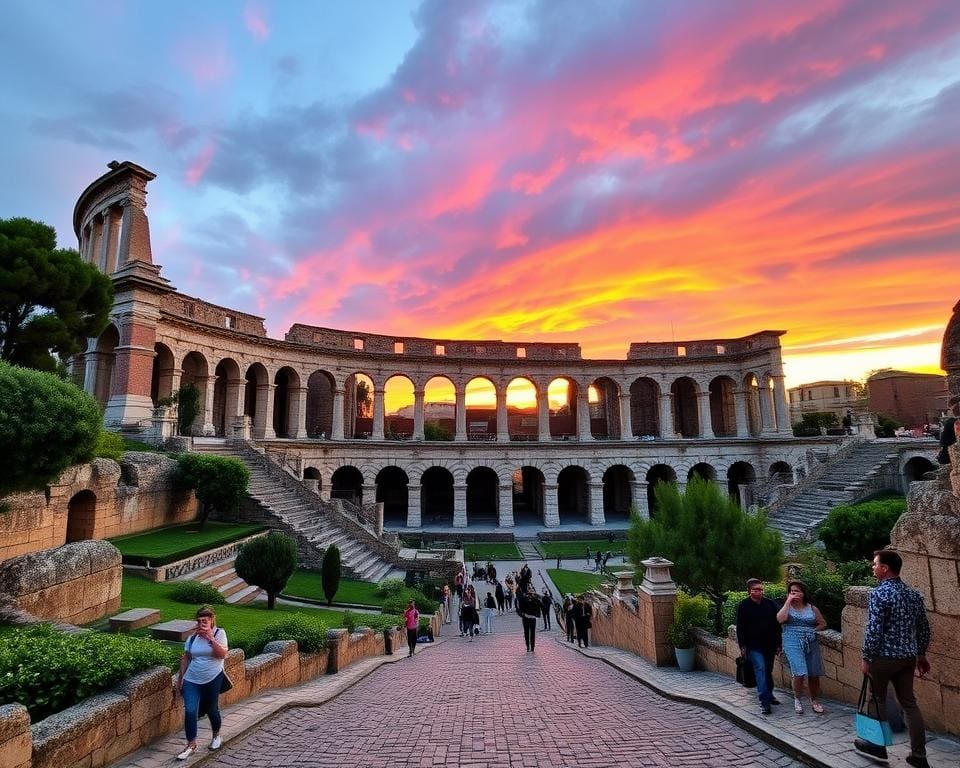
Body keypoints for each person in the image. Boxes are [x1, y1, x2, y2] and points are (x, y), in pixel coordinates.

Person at [855, 550, 932, 767]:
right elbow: (924, 629)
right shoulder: (914, 595)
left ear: (885, 568)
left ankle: (876, 746)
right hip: (908, 657)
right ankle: (919, 755)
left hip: (883, 658)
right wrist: (921, 654)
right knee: (910, 703)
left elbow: (873, 630)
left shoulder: (879, 594)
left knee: (876, 699)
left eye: (875, 564)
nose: (873, 567)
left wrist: (866, 657)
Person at [176, 606, 228, 760]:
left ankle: (216, 735)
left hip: (213, 677)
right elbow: (186, 657)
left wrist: (210, 638)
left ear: (212, 620)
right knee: (190, 710)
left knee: (211, 708)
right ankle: (191, 745)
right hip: (192, 679)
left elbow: (222, 655)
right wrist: (180, 678)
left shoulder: (220, 633)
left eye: (204, 620)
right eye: (199, 621)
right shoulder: (192, 638)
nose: (201, 624)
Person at [776, 580, 827, 714]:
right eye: (791, 591)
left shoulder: (812, 608)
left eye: (796, 591)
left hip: (810, 641)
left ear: (803, 593)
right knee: (799, 672)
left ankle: (814, 700)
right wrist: (788, 601)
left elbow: (822, 623)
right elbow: (780, 619)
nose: (793, 593)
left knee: (813, 673)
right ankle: (797, 699)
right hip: (791, 640)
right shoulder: (787, 607)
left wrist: (813, 630)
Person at [735, 578, 782, 715]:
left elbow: (777, 625)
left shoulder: (770, 604)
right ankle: (764, 702)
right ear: (749, 591)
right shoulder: (744, 605)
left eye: (760, 589)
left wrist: (778, 644)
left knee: (768, 671)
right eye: (755, 589)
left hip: (770, 645)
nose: (759, 592)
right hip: (753, 646)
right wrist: (742, 646)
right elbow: (740, 627)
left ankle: (770, 694)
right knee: (760, 669)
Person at [936, 395, 959, 464]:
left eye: (950, 409)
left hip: (951, 456)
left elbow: (944, 442)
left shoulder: (951, 422)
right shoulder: (952, 422)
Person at [519, 587, 541, 652]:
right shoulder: (523, 599)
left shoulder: (536, 600)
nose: (530, 595)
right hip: (525, 618)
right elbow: (520, 609)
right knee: (526, 632)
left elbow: (539, 607)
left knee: (532, 633)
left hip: (532, 618)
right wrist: (522, 614)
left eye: (531, 593)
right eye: (529, 593)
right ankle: (528, 646)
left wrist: (537, 615)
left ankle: (532, 647)